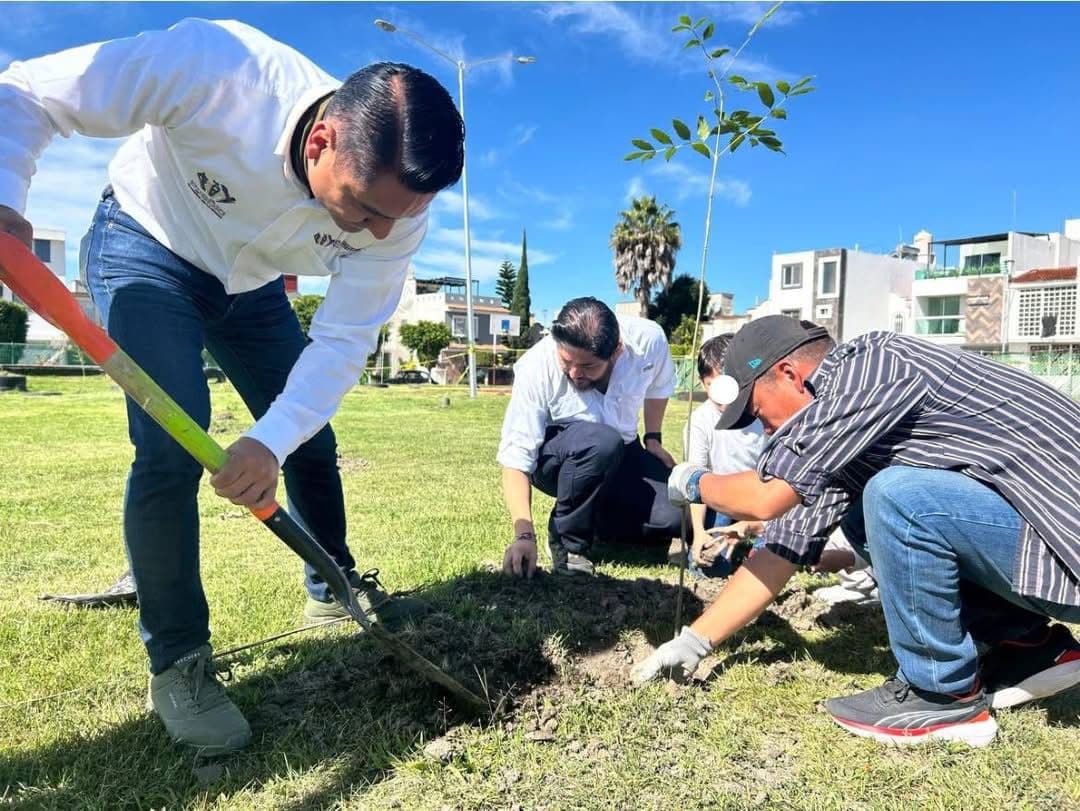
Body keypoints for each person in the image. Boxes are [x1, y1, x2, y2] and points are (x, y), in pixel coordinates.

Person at [0, 18, 464, 754]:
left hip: (249, 289)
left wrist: (268, 441)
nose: (380, 234)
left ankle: (333, 586)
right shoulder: (218, 67)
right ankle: (179, 662)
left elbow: (342, 341)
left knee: (311, 439)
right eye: (365, 209)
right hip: (146, 245)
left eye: (397, 218)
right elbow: (28, 92)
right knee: (170, 446)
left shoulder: (399, 210)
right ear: (321, 142)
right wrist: (4, 195)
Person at [634, 315, 1080, 747]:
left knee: (896, 495)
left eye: (757, 411)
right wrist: (694, 641)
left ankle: (941, 696)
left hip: (1064, 532)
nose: (763, 428)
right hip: (1044, 539)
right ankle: (1031, 645)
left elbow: (765, 496)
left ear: (790, 375)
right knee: (869, 507)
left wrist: (693, 482)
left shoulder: (876, 365)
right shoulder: (856, 433)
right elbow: (782, 548)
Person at [498, 297, 682, 577]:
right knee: (601, 442)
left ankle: (593, 518)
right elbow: (516, 457)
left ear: (616, 352)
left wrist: (653, 438)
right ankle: (567, 541)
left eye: (588, 367)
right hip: (558, 455)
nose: (575, 373)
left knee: (676, 517)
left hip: (621, 448)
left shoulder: (649, 340)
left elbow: (660, 385)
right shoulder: (535, 366)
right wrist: (524, 536)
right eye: (567, 361)